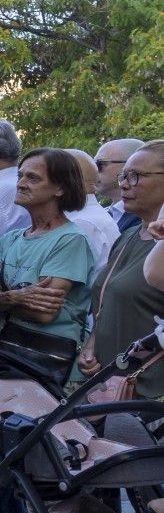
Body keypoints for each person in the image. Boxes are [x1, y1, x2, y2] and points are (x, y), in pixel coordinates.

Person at [0, 149, 94, 385]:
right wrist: (19, 297)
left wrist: (0, 299)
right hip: (10, 355)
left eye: (32, 178)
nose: (21, 184)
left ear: (60, 188)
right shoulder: (10, 238)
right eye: (20, 176)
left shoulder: (70, 240)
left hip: (53, 363)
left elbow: (44, 313)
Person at [79, 140, 164, 400]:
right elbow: (108, 302)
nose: (124, 184)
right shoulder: (127, 236)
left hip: (152, 396)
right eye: (123, 176)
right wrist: (92, 343)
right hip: (113, 387)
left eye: (135, 176)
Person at [62, 148, 121, 280]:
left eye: (35, 178)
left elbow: (55, 291)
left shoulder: (81, 223)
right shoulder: (79, 218)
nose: (21, 184)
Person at [94, 137, 145, 234]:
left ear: (130, 163)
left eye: (99, 164)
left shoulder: (148, 217)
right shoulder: (104, 213)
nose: (94, 171)